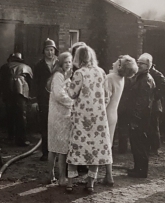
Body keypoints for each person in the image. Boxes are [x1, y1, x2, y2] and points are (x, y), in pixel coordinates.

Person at [66, 45, 112, 194]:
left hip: (81, 117)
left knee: (76, 148)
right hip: (98, 118)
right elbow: (106, 95)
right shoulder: (101, 72)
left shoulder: (79, 73)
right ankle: (90, 184)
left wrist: (68, 83)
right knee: (95, 150)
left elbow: (72, 94)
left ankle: (70, 183)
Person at [100, 55, 138, 185]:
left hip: (105, 114)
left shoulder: (110, 78)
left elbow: (105, 99)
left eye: (118, 61)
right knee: (108, 145)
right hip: (113, 114)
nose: (115, 61)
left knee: (102, 144)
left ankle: (105, 175)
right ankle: (108, 175)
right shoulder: (121, 79)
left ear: (120, 66)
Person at [127, 53, 155, 178]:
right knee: (136, 142)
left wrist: (135, 118)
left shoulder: (146, 79)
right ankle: (138, 168)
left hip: (141, 118)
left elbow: (142, 102)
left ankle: (141, 170)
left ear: (148, 65)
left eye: (141, 63)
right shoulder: (141, 77)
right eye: (138, 62)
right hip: (139, 116)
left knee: (140, 143)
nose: (138, 65)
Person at [47, 52, 73, 186]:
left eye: (70, 62)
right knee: (60, 148)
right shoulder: (58, 75)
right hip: (59, 114)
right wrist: (72, 103)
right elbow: (59, 94)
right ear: (61, 63)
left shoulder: (66, 75)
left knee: (56, 146)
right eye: (66, 62)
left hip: (62, 114)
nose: (68, 64)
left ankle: (52, 174)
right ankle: (60, 177)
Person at [0, 53, 33, 146]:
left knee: (10, 114)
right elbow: (31, 82)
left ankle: (11, 137)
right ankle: (22, 139)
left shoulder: (5, 66)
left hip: (8, 92)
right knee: (21, 116)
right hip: (21, 93)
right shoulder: (26, 67)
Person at [33, 38, 59, 161]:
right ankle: (45, 153)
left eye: (52, 50)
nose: (50, 52)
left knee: (57, 126)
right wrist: (35, 101)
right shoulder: (39, 66)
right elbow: (35, 84)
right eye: (47, 50)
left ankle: (58, 153)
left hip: (58, 99)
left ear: (55, 51)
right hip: (44, 100)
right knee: (45, 127)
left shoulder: (59, 64)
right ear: (43, 51)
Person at [148, 57, 165, 155]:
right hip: (149, 104)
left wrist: (156, 95)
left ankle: (155, 148)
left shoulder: (156, 74)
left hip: (155, 105)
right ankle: (150, 146)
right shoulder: (149, 73)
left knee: (153, 126)